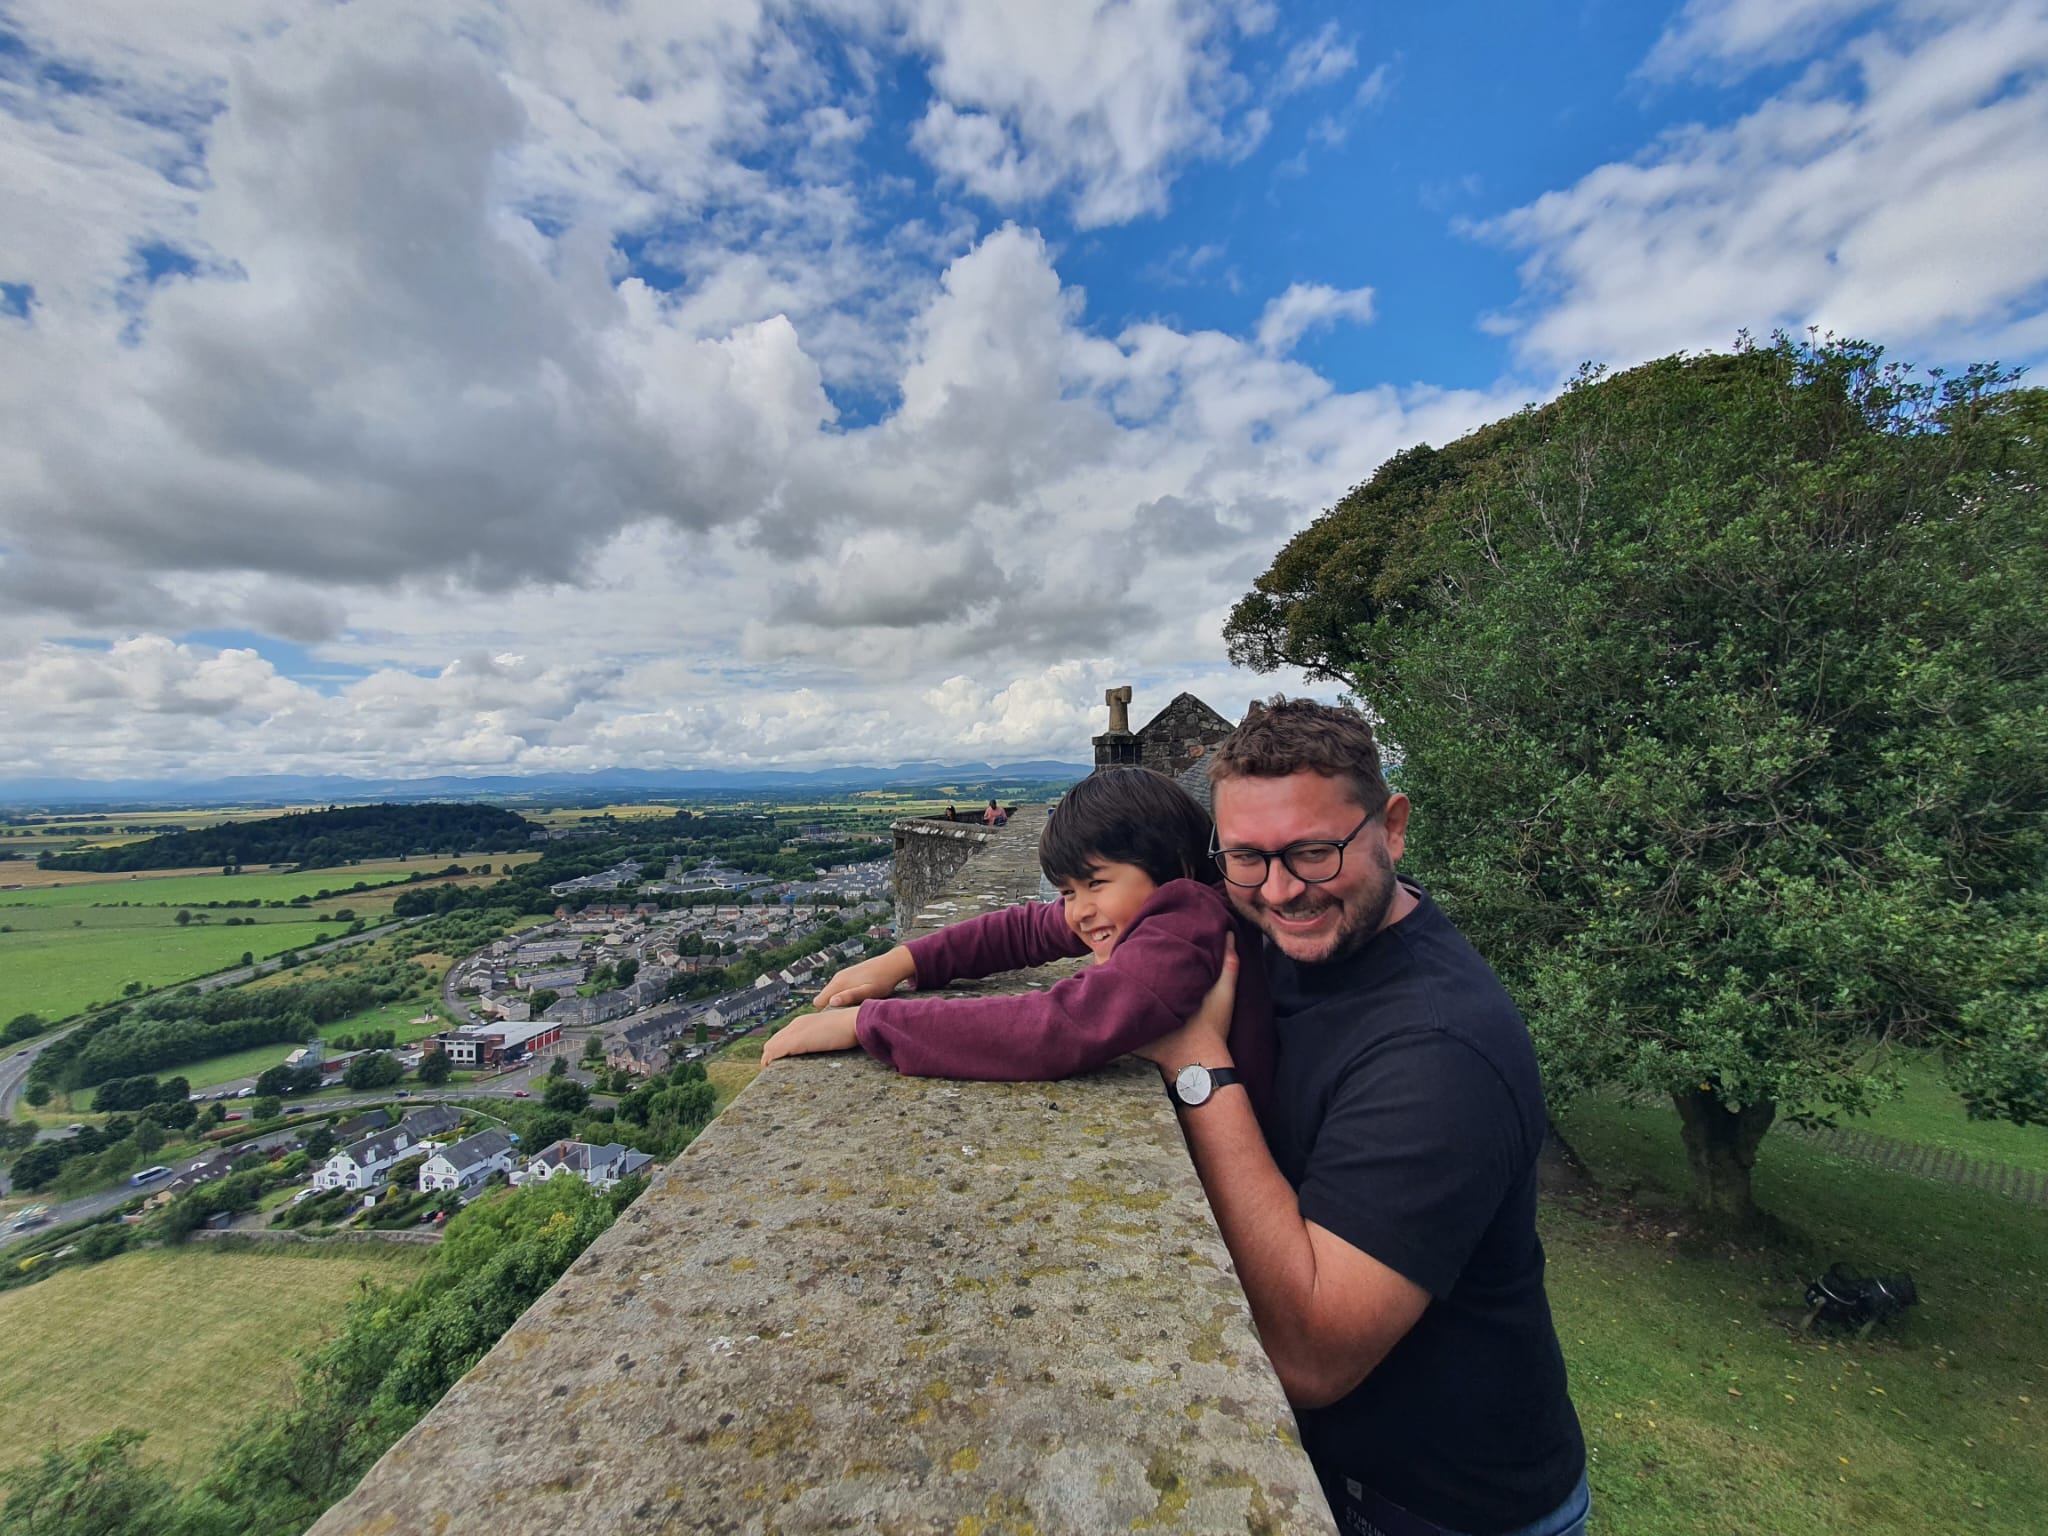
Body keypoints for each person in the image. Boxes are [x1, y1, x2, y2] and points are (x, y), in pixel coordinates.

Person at [1135, 697, 1587, 1536]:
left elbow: (1312, 1351)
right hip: (1347, 1475)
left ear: (1394, 828)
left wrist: (1200, 1070)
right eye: (1246, 859)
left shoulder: (1439, 1049)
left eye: (1313, 851)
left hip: (1445, 1506)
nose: (1280, 892)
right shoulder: (1291, 926)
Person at [762, 767, 1275, 1121]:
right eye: (1068, 891)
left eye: (1096, 884)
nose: (1078, 910)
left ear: (1177, 866)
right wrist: (906, 958)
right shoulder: (1154, 905)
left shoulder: (1188, 916)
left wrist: (866, 1023)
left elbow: (1061, 1028)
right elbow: (1027, 928)